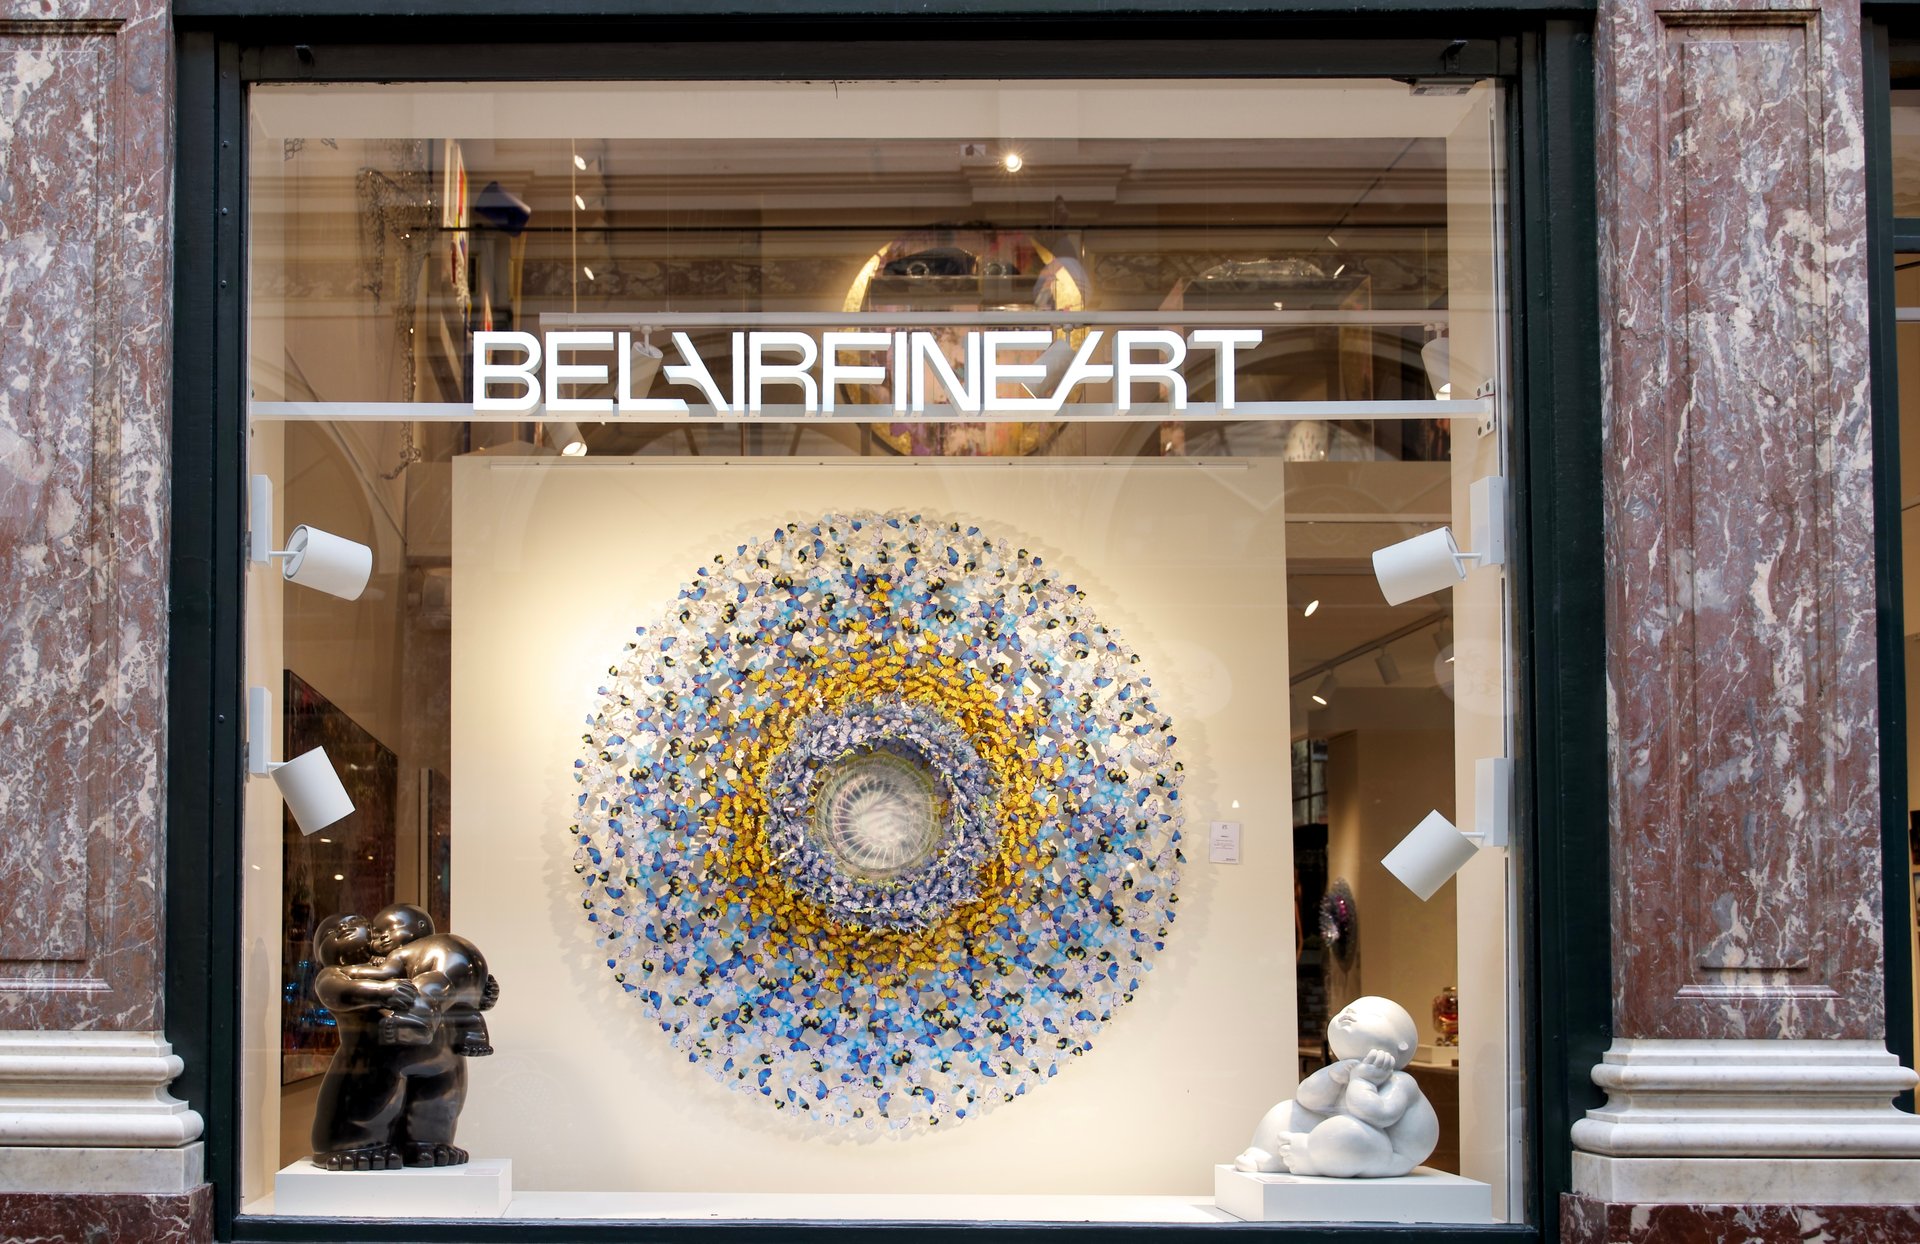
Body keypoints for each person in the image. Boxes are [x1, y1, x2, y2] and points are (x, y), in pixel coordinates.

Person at [1234, 995, 1438, 1178]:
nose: (1350, 1012)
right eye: (1347, 1009)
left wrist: (1363, 1082)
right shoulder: (1344, 1069)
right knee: (1287, 1110)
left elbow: (1378, 1116)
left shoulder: (1400, 1082)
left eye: (1372, 1015)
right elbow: (1307, 1098)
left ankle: (1309, 1157)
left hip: (1388, 1153)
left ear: (1402, 1044)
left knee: (1348, 1131)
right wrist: (1332, 1076)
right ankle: (1267, 1154)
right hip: (1335, 1136)